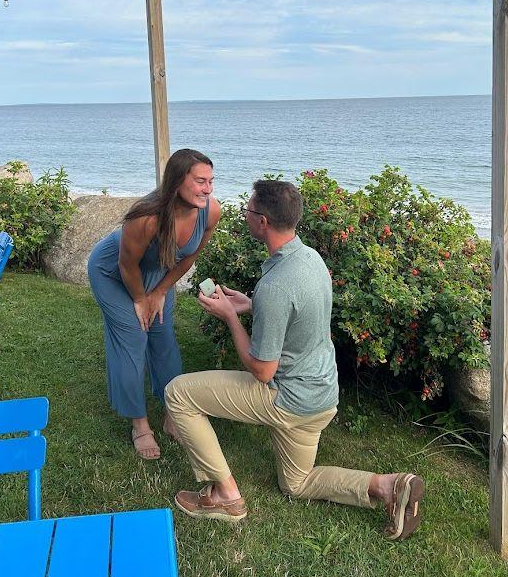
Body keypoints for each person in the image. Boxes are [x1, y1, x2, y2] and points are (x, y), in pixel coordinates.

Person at [164, 179, 424, 540]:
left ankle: (225, 494)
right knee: (297, 484)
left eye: (249, 211)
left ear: (263, 222)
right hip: (320, 398)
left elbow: (261, 369)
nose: (245, 215)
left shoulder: (277, 284)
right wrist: (252, 304)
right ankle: (388, 487)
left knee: (179, 393)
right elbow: (300, 309)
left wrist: (230, 318)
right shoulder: (310, 258)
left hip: (287, 400)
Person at [88, 149, 220, 460]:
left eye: (211, 181)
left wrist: (159, 292)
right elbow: (126, 264)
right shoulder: (145, 217)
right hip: (114, 274)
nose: (208, 188)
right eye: (201, 181)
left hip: (158, 276)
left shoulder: (210, 211)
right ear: (177, 181)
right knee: (133, 337)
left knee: (163, 338)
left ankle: (172, 410)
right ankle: (139, 422)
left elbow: (189, 256)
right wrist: (139, 298)